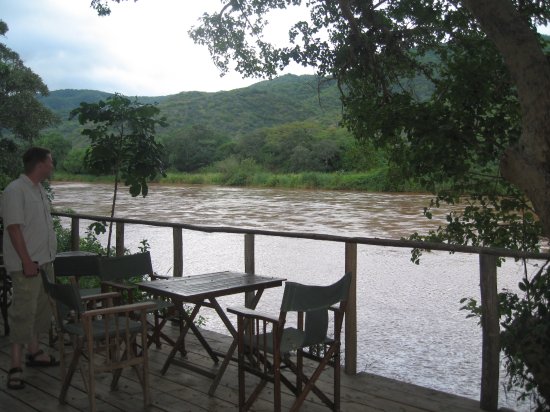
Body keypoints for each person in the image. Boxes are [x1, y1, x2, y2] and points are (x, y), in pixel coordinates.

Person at [1, 147, 58, 390]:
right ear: (41, 164)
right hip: (29, 265)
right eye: (50, 162)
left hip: (44, 263)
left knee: (40, 311)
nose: (52, 166)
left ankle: (34, 352)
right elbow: (14, 228)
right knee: (23, 312)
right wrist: (25, 261)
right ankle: (15, 365)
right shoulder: (15, 190)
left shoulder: (39, 190)